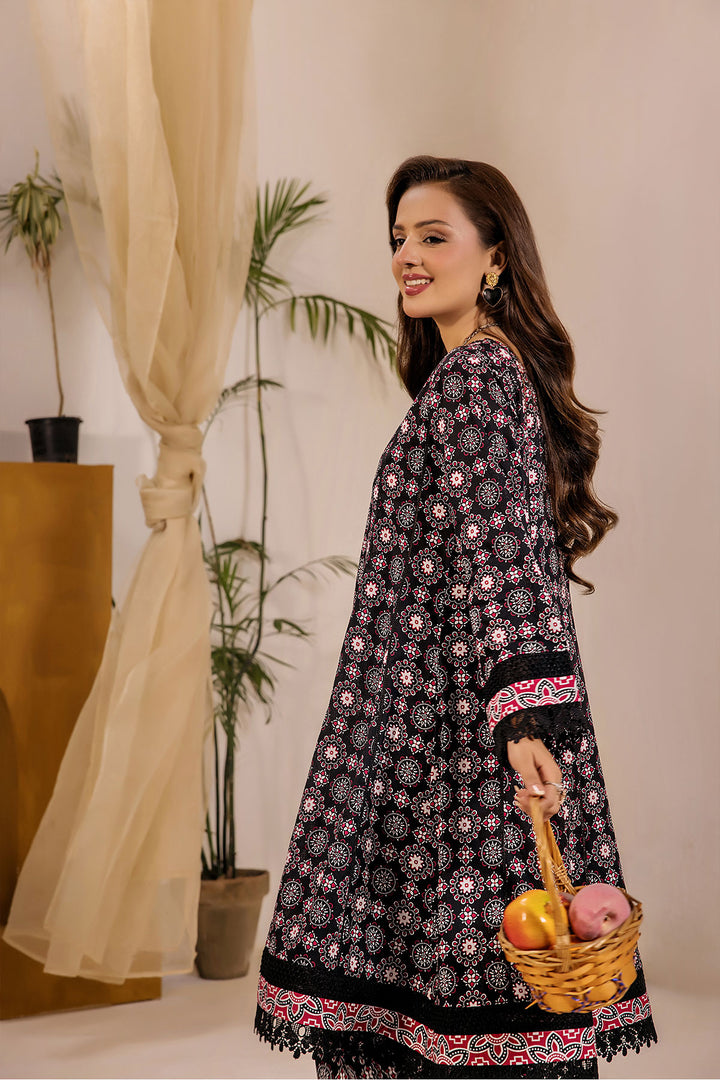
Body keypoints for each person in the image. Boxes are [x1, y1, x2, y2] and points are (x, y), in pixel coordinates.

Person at [254, 156, 657, 1078]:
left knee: (454, 972)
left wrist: (525, 718)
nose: (408, 255)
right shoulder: (472, 376)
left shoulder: (477, 376)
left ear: (495, 257)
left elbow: (503, 551)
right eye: (399, 238)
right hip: (433, 710)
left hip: (452, 721)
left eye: (434, 237)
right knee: (442, 975)